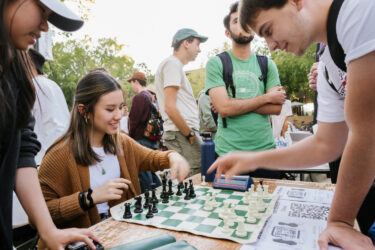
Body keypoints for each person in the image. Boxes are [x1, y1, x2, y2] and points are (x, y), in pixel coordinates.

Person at [209, 0, 375, 248]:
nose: (272, 47)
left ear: (295, 2)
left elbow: (367, 131)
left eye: (268, 30)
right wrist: (252, 159)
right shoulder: (327, 62)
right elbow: (325, 144)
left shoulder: (358, 10)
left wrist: (340, 221)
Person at [38, 70, 190, 246]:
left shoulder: (122, 143)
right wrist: (89, 198)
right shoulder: (59, 155)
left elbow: (153, 158)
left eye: (120, 107)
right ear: (84, 110)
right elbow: (39, 215)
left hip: (121, 237)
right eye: (110, 109)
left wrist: (173, 157)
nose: (119, 116)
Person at [0, 0, 99, 248]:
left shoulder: (14, 73)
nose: (44, 27)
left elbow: (23, 151)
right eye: (43, 13)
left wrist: (48, 230)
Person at [205, 2, 285, 178]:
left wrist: (232, 104)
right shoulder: (216, 63)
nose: (242, 24)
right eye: (236, 21)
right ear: (227, 32)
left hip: (265, 154)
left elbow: (276, 108)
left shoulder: (267, 64)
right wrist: (265, 98)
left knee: (267, 204)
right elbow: (224, 109)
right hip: (228, 154)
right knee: (228, 206)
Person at [154, 28, 208, 176]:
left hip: (181, 132)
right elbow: (170, 107)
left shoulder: (173, 65)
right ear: (186, 43)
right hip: (181, 133)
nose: (199, 50)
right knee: (193, 180)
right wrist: (189, 133)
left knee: (191, 180)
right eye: (197, 45)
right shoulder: (173, 64)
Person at [29, 48, 70, 165]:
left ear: (29, 64)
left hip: (41, 158)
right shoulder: (53, 85)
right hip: (59, 152)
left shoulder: (33, 85)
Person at [127, 71, 162, 192]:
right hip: (152, 138)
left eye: (131, 82)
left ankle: (147, 199)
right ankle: (159, 193)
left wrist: (129, 138)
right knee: (151, 170)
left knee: (143, 172)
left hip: (140, 139)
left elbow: (133, 120)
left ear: (136, 82)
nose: (131, 85)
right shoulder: (151, 96)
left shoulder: (139, 97)